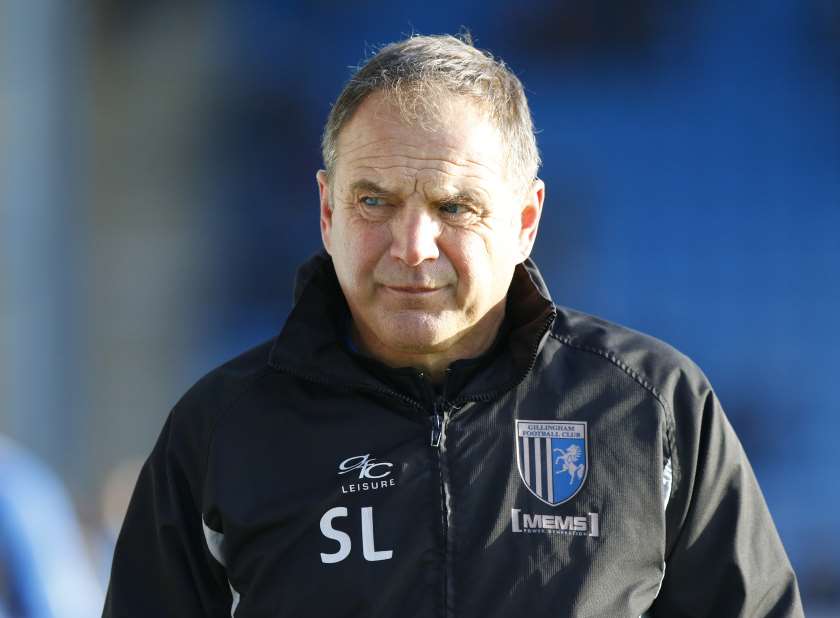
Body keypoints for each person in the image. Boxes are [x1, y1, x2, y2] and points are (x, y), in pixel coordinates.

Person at [103, 34, 803, 617]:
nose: (411, 246)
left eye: (454, 206)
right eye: (373, 200)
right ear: (326, 210)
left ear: (526, 219)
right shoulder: (222, 426)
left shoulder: (650, 406)